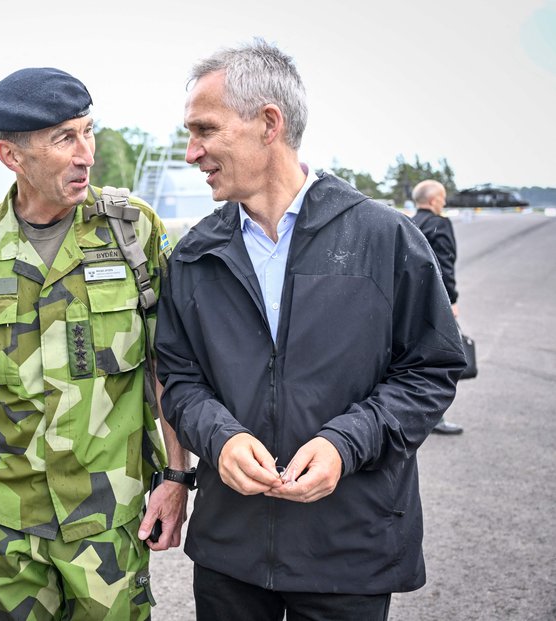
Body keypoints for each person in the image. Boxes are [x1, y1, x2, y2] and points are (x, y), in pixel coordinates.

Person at [154, 40, 466, 620]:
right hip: (231, 557)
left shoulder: (386, 239)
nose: (192, 152)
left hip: (349, 552)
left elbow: (431, 371)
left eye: (206, 130)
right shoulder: (194, 255)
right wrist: (219, 437)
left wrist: (346, 443)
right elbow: (179, 378)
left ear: (269, 123)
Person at [0, 67, 190, 620]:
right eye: (65, 138)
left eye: (89, 131)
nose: (86, 153)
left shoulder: (132, 231)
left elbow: (167, 366)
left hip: (108, 519)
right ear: (12, 157)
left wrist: (178, 477)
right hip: (8, 523)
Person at [412, 179, 465, 435]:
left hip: (407, 304)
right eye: (442, 199)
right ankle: (435, 418)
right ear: (434, 201)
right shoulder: (439, 224)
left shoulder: (407, 223)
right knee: (437, 360)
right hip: (433, 304)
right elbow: (445, 264)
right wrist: (451, 300)